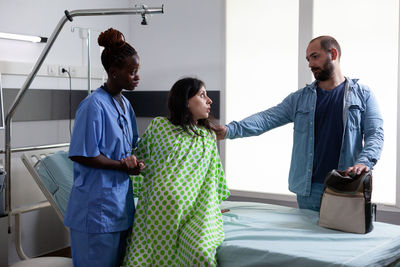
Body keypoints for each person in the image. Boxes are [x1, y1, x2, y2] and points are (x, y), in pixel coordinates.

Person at [214, 35, 384, 211]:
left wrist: (364, 162)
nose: (310, 64)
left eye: (315, 56)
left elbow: (375, 134)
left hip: (347, 186)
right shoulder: (300, 99)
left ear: (333, 54)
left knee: (343, 237)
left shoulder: (363, 95)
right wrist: (229, 130)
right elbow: (266, 118)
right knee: (307, 238)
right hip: (309, 190)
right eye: (308, 59)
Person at [123, 78, 230, 267]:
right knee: (141, 261)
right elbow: (139, 159)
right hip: (157, 213)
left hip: (195, 213)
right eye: (202, 95)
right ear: (185, 100)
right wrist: (131, 161)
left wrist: (213, 205)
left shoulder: (207, 136)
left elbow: (212, 178)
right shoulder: (159, 126)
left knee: (201, 254)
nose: (209, 101)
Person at [64, 28, 145, 267]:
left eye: (137, 71)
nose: (137, 77)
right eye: (132, 72)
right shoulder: (93, 106)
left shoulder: (124, 103)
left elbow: (133, 146)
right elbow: (82, 154)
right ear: (113, 72)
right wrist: (122, 166)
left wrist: (135, 162)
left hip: (119, 207)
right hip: (96, 211)